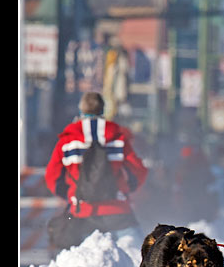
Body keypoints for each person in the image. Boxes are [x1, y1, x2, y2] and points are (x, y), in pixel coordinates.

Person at [45, 92, 148, 251]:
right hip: (117, 210)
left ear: (81, 110)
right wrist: (127, 189)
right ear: (103, 110)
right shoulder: (118, 136)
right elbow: (138, 169)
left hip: (81, 212)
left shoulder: (67, 140)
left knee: (87, 263)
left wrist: (70, 194)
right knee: (137, 257)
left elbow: (52, 176)